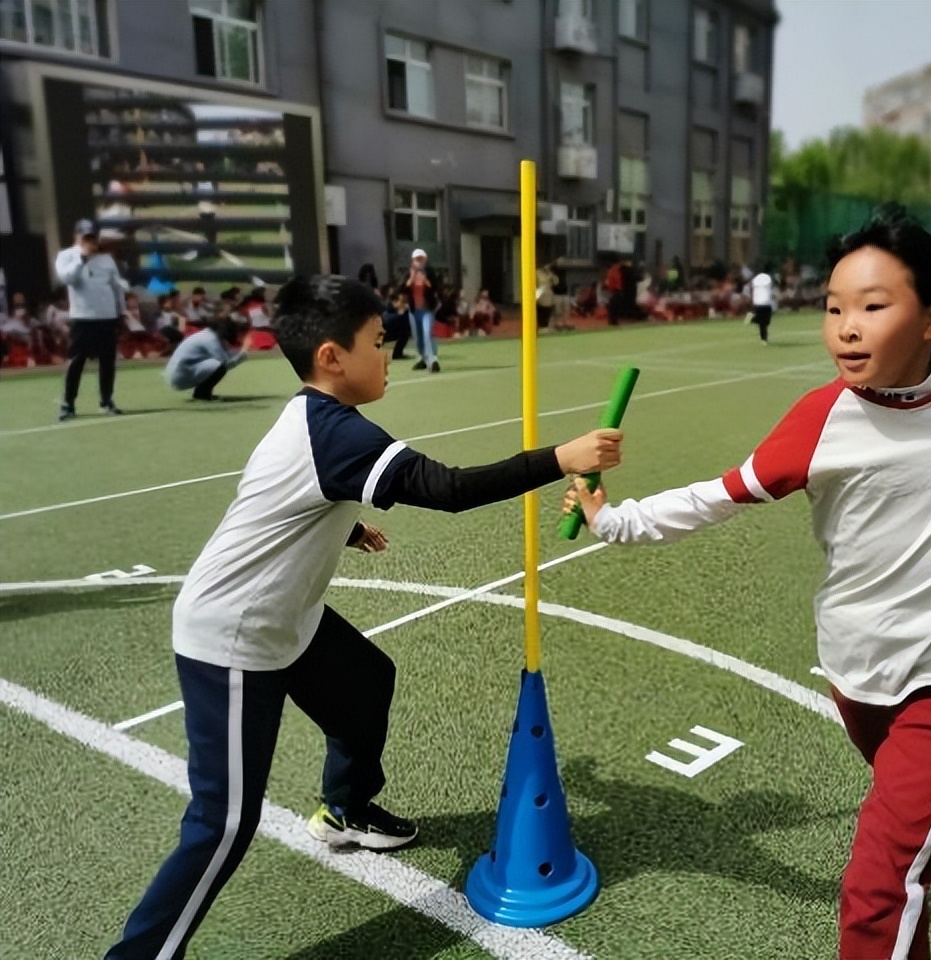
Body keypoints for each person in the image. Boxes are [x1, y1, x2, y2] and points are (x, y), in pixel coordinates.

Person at [565, 204, 931, 960]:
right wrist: (611, 518)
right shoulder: (820, 421)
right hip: (855, 669)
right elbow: (712, 497)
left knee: (877, 887)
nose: (845, 327)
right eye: (833, 308)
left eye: (873, 307)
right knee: (901, 869)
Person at [103, 274, 623, 960]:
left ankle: (344, 807)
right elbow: (451, 489)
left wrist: (342, 528)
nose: (389, 354)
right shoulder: (334, 432)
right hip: (233, 636)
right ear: (330, 358)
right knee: (222, 824)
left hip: (288, 619)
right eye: (377, 342)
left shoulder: (311, 425)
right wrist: (563, 458)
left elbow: (277, 503)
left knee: (366, 680)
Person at [55, 218, 127, 420]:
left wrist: (121, 313)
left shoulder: (107, 260)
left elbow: (116, 288)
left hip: (107, 317)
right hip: (82, 317)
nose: (90, 241)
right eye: (86, 237)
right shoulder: (66, 256)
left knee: (107, 361)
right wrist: (82, 258)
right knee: (77, 361)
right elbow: (67, 278)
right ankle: (68, 404)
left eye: (93, 237)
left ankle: (106, 401)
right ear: (77, 236)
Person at [162, 316, 247, 400]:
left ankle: (201, 393)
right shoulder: (211, 339)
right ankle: (202, 394)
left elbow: (225, 355)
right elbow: (226, 363)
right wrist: (242, 354)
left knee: (216, 363)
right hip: (179, 378)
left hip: (177, 374)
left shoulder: (206, 334)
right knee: (219, 366)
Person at [400, 249, 440, 372]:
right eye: (417, 259)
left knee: (427, 333)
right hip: (414, 310)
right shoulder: (408, 273)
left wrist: (425, 280)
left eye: (421, 259)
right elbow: (401, 288)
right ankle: (423, 357)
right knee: (418, 337)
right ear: (413, 260)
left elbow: (436, 287)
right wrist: (411, 278)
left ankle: (432, 359)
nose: (419, 261)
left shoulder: (430, 272)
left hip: (427, 309)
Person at [381, 290, 413, 359]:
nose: (405, 304)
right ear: (395, 302)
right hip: (379, 335)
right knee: (406, 328)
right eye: (403, 301)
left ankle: (397, 353)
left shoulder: (388, 310)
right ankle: (397, 353)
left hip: (381, 335)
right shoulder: (389, 312)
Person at [749, 265, 775, 344]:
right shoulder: (768, 278)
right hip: (766, 302)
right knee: (764, 322)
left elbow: (752, 288)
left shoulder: (755, 279)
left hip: (758, 302)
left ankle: (753, 319)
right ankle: (764, 339)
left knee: (763, 322)